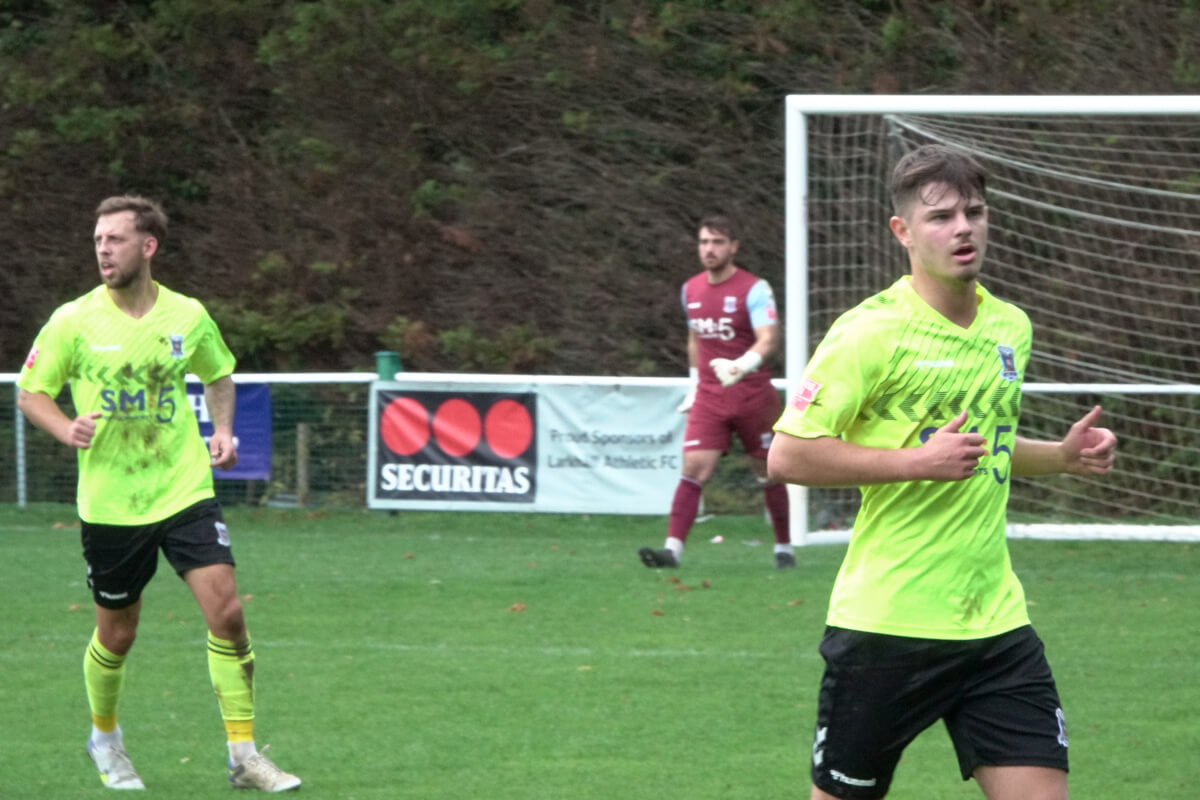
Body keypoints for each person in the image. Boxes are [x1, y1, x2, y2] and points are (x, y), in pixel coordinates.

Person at [767, 144, 1117, 800]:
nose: (963, 228)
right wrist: (913, 463)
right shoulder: (869, 332)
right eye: (941, 217)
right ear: (903, 232)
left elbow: (983, 451)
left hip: (995, 626)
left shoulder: (1011, 327)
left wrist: (1062, 457)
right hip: (887, 626)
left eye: (974, 212)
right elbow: (788, 455)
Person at [17, 196, 301, 792]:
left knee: (227, 612)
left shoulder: (187, 315)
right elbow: (31, 391)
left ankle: (244, 756)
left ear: (148, 247)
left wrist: (222, 431)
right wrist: (64, 427)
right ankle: (105, 738)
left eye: (115, 239)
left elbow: (218, 373)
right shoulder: (73, 320)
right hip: (112, 505)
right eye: (98, 239)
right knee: (118, 632)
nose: (102, 249)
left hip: (183, 490)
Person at [639, 215, 793, 570]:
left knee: (768, 471)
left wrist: (741, 365)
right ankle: (672, 551)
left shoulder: (754, 289)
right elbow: (695, 338)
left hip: (752, 393)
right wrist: (695, 383)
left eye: (718, 242)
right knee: (694, 468)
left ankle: (783, 546)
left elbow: (769, 339)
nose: (709, 249)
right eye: (704, 242)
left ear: (733, 247)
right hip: (710, 395)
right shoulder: (690, 289)